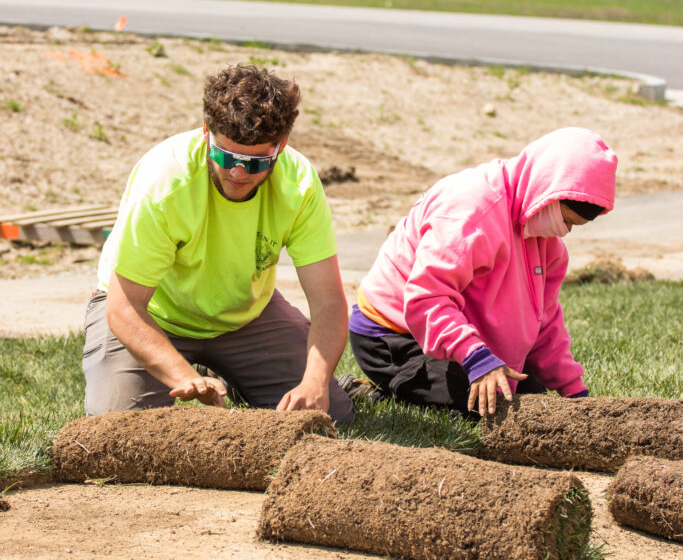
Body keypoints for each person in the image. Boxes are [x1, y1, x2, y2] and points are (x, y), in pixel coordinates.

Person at [83, 64, 354, 424]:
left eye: (255, 162)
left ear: (281, 146)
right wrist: (183, 376)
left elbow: (328, 301)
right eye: (226, 157)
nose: (238, 173)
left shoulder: (299, 183)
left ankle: (234, 372)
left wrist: (315, 381)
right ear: (206, 132)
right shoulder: (165, 182)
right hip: (155, 315)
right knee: (119, 424)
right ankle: (200, 368)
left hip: (245, 317)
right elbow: (124, 306)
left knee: (331, 414)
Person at [348, 127, 618, 417]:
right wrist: (476, 358)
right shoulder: (471, 211)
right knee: (484, 407)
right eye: (566, 220)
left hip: (451, 328)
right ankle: (372, 393)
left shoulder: (546, 243)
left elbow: (545, 322)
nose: (565, 232)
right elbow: (426, 299)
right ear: (547, 192)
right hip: (393, 334)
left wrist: (574, 391)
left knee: (529, 397)